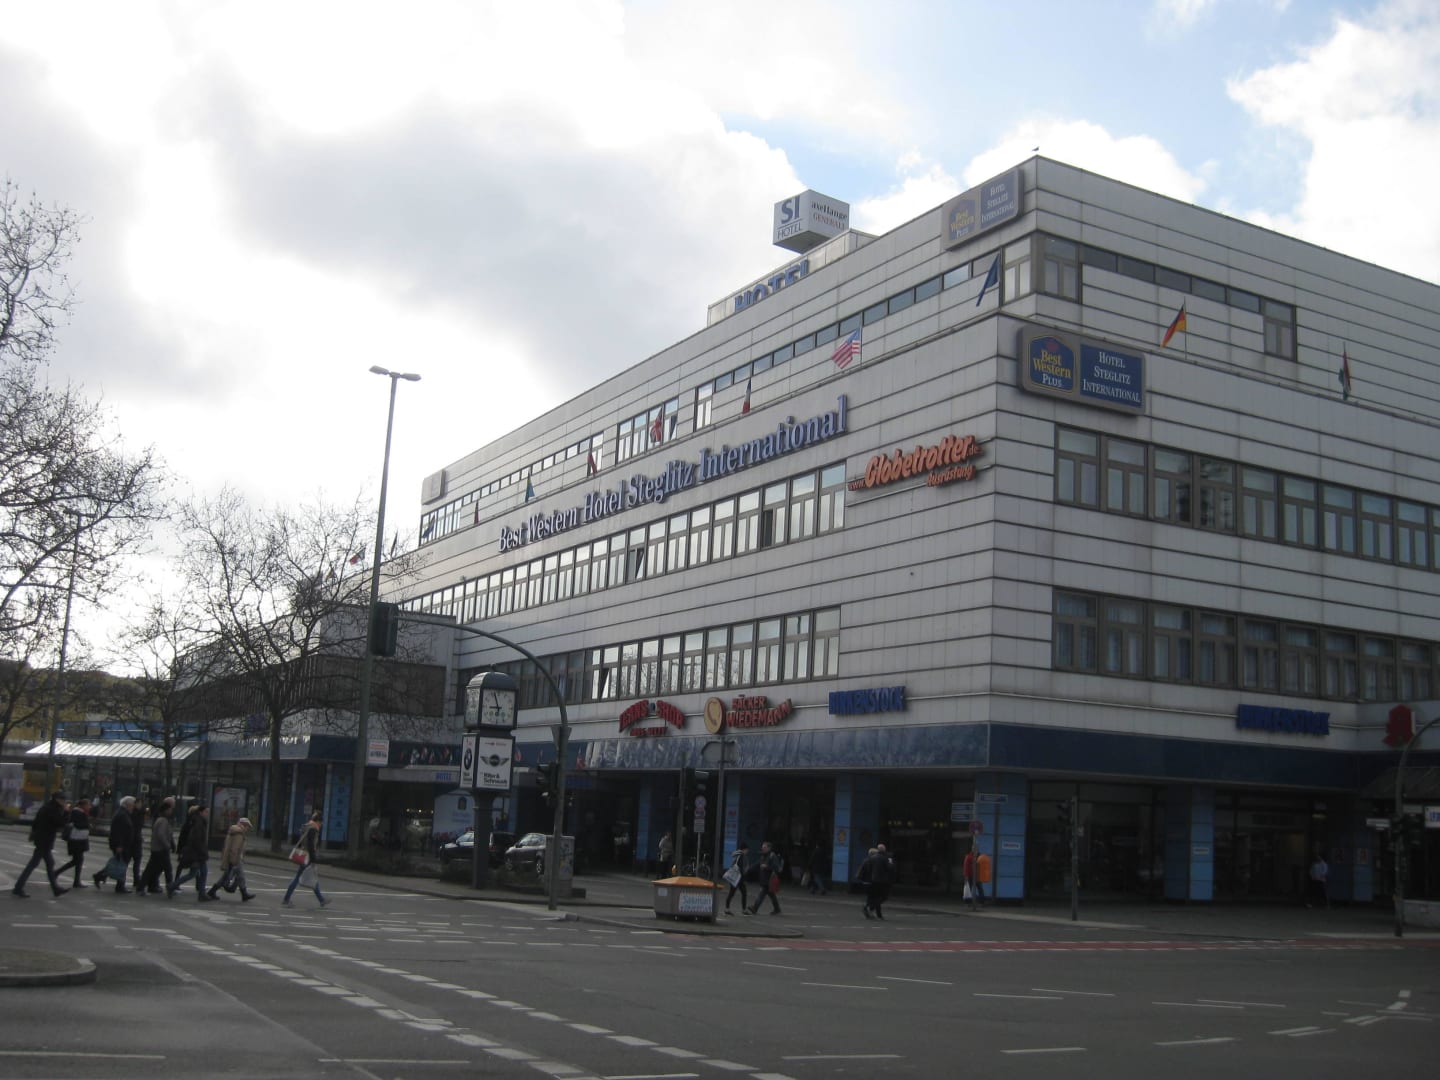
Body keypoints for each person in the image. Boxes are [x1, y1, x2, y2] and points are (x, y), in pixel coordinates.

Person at [12, 790, 71, 898]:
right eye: (62, 799)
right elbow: (60, 823)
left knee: (49, 864)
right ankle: (18, 887)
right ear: (57, 799)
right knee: (34, 864)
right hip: (45, 841)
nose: (64, 801)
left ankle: (55, 888)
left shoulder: (46, 807)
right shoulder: (52, 809)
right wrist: (66, 812)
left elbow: (36, 822)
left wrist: (34, 833)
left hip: (42, 839)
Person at [283, 811, 329, 907]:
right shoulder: (313, 829)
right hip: (308, 857)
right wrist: (313, 860)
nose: (321, 825)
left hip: (305, 855)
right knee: (300, 878)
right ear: (318, 821)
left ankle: (322, 900)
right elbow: (311, 846)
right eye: (321, 822)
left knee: (312, 877)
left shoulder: (307, 826)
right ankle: (286, 899)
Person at [94, 795, 137, 893]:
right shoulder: (122, 814)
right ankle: (119, 886)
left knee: (118, 863)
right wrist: (119, 845)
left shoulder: (123, 813)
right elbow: (118, 832)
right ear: (127, 805)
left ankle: (101, 876)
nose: (133, 807)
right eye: (132, 805)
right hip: (120, 844)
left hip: (123, 844)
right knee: (121, 863)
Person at [207, 817, 256, 902]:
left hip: (235, 859)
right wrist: (234, 861)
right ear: (244, 825)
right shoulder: (239, 834)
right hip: (235, 859)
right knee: (234, 876)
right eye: (247, 827)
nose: (248, 829)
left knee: (237, 876)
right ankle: (243, 893)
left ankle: (213, 891)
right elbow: (235, 849)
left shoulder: (235, 832)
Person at [170, 805, 212, 900]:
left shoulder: (198, 821)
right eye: (206, 812)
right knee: (199, 873)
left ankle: (173, 886)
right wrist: (202, 851)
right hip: (197, 853)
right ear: (201, 812)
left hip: (196, 852)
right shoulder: (199, 822)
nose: (207, 814)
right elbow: (197, 839)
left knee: (194, 873)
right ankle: (201, 894)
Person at [140, 797, 177, 897]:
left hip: (157, 849)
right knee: (166, 869)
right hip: (161, 850)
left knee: (152, 869)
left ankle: (142, 886)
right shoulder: (163, 821)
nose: (171, 811)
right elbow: (161, 835)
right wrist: (167, 845)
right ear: (165, 810)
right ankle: (170, 888)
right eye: (170, 810)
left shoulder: (161, 820)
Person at [55, 797, 93, 889]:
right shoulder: (77, 812)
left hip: (80, 839)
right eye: (88, 805)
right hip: (76, 840)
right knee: (77, 860)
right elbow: (78, 824)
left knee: (77, 861)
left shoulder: (81, 812)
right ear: (83, 805)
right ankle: (58, 873)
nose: (89, 807)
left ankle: (75, 880)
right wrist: (88, 825)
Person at [746, 841, 783, 915]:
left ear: (769, 848)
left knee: (762, 893)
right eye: (762, 847)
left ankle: (755, 908)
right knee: (771, 895)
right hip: (764, 879)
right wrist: (748, 869)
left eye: (764, 847)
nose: (763, 848)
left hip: (769, 880)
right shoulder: (763, 856)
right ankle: (777, 909)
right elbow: (757, 864)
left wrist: (767, 867)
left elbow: (777, 868)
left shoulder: (772, 856)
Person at [860, 843, 895, 919]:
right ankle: (868, 907)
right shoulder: (885, 858)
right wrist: (891, 862)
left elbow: (868, 869)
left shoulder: (872, 858)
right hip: (882, 881)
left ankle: (873, 911)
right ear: (884, 849)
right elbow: (890, 868)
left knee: (875, 897)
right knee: (883, 897)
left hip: (873, 880)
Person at [723, 840, 750, 914]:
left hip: (735, 878)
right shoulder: (741, 856)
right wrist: (745, 872)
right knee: (743, 893)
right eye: (747, 850)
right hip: (738, 878)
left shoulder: (737, 854)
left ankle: (727, 909)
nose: (747, 851)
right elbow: (740, 867)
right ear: (744, 849)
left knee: (732, 893)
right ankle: (743, 910)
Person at [128, 798, 147, 891]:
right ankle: (136, 879)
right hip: (134, 841)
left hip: (134, 840)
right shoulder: (135, 814)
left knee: (134, 861)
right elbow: (136, 826)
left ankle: (136, 879)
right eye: (139, 803)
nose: (140, 805)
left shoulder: (134, 813)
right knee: (134, 861)